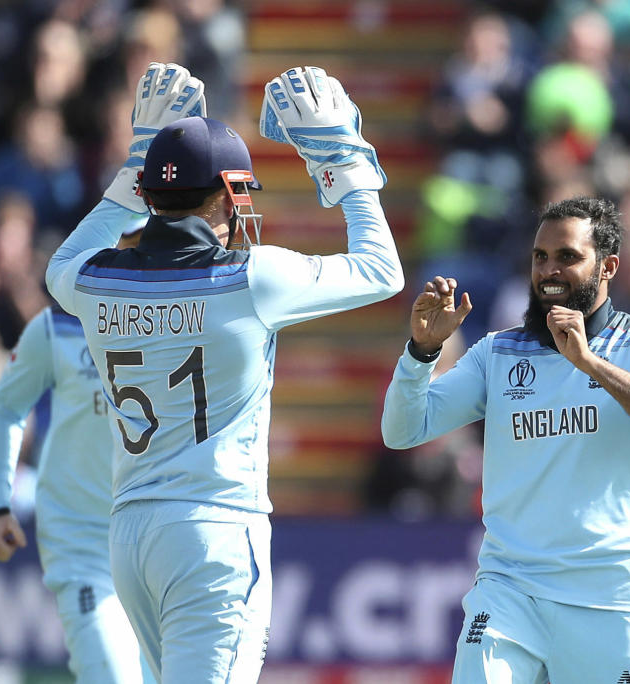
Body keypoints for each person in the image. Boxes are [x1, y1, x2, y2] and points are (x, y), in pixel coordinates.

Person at [45, 63, 401, 683]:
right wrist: (345, 160)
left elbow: (61, 264)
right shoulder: (253, 277)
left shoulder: (94, 280)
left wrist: (135, 167)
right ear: (232, 193)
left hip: (130, 533)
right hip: (213, 532)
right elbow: (381, 271)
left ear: (150, 194)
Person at [382, 196, 630, 683]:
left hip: (612, 597)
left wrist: (590, 364)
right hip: (510, 590)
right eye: (540, 257)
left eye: (568, 257)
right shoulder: (498, 351)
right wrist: (421, 353)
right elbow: (403, 430)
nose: (549, 270)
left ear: (608, 266)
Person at [0, 285, 155, 683]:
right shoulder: (58, 326)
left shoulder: (189, 314)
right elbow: (5, 406)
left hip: (161, 547)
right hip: (84, 545)